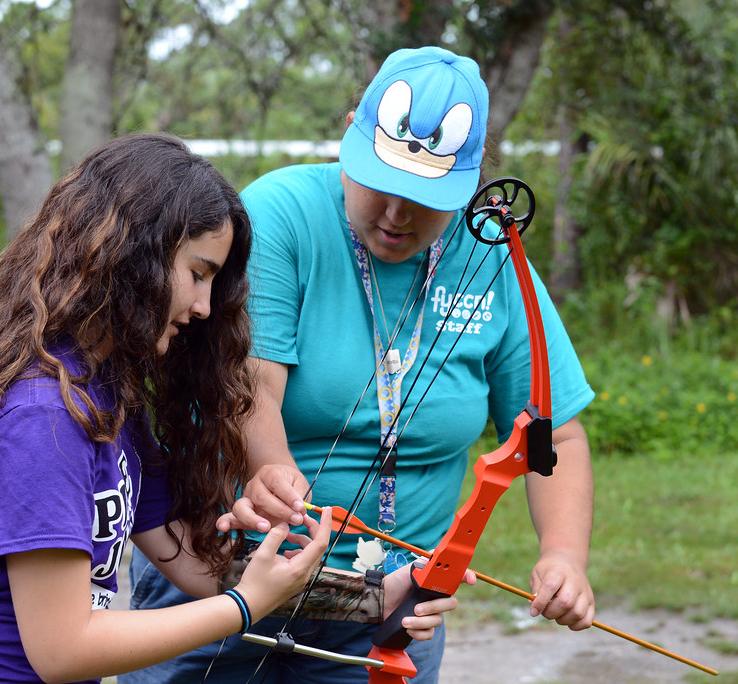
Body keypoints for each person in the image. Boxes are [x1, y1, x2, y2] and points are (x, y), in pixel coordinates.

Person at [119, 47, 597, 683]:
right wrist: (275, 473)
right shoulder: (282, 214)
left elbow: (550, 433)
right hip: (222, 579)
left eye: (426, 196)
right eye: (385, 185)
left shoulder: (494, 261)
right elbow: (247, 383)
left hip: (391, 607)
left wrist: (562, 555)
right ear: (351, 131)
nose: (398, 215)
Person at [0, 133, 348, 683]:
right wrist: (243, 606)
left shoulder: (101, 394)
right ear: (133, 255)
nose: (203, 306)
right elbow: (63, 650)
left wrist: (376, 596)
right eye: (197, 274)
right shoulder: (42, 417)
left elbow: (194, 564)